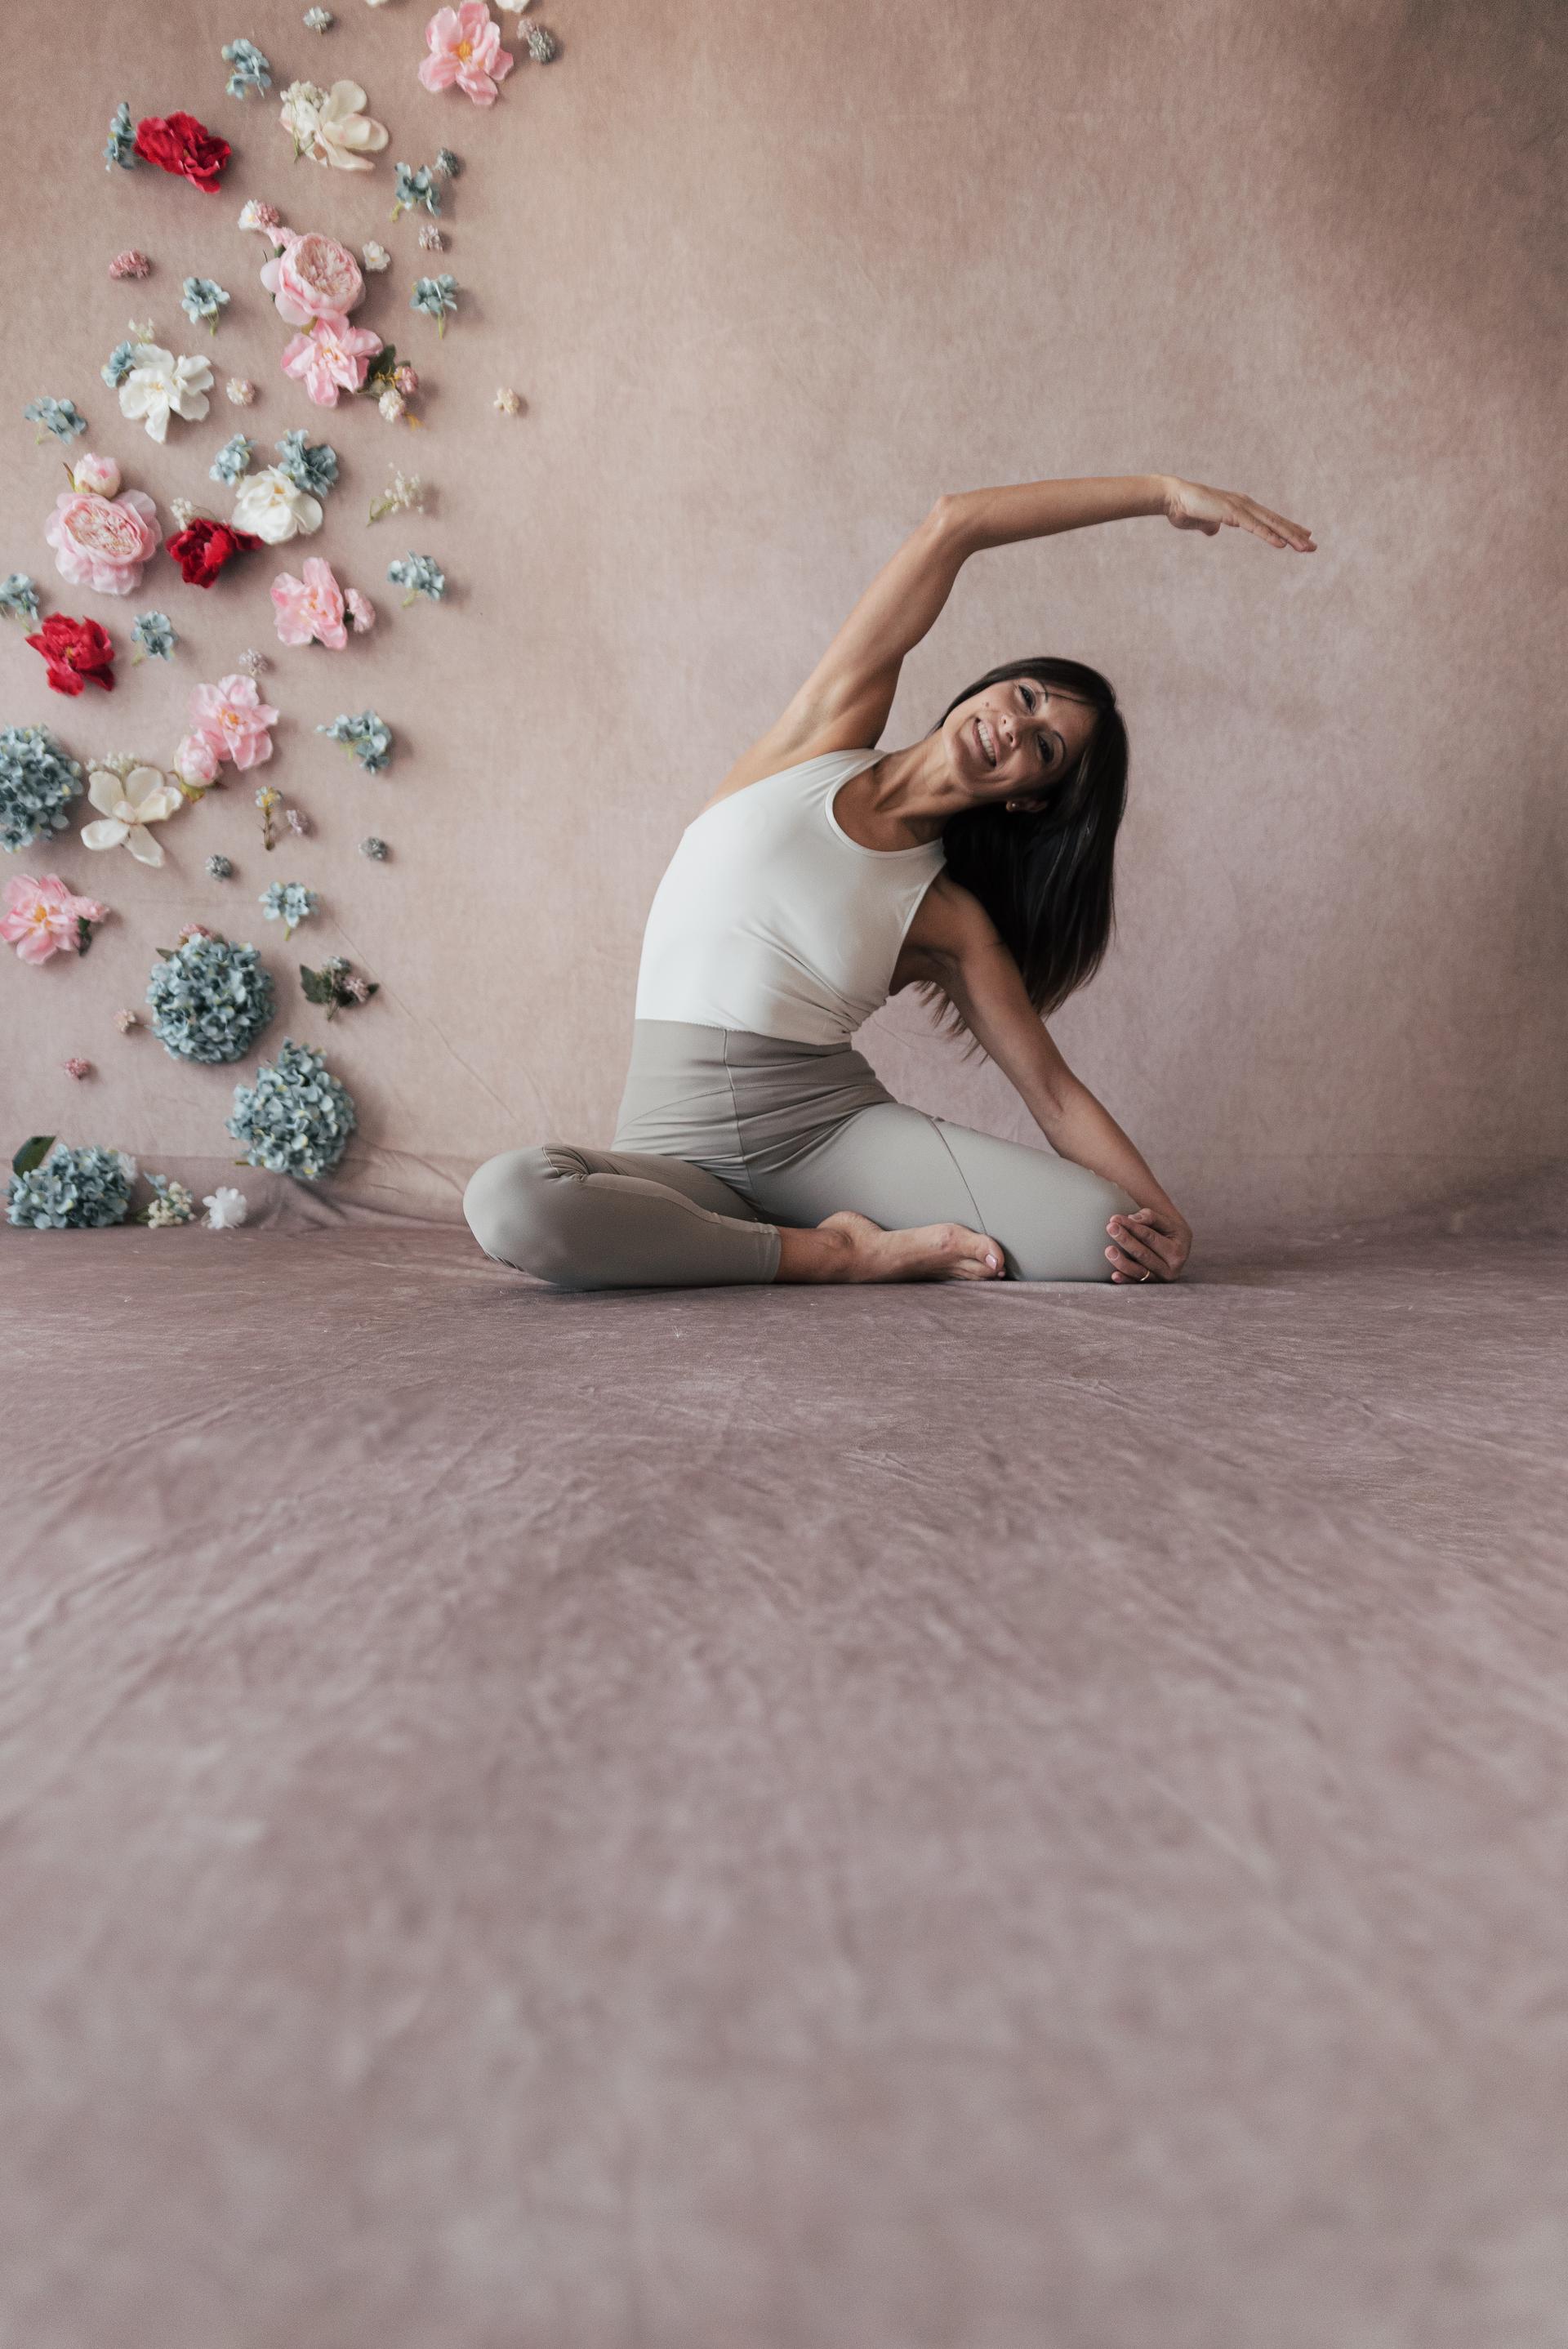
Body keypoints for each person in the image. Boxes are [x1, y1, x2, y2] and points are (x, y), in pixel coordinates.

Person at [464, 473, 1315, 1290]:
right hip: (671, 1151)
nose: (1012, 726)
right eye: (1023, 696)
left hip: (822, 1140)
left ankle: (784, 1247)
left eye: (1043, 746)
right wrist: (1162, 493)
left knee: (1108, 1233)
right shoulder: (819, 737)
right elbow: (955, 524)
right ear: (988, 684)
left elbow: (1052, 1094)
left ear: (1030, 799)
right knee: (511, 1200)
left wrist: (1163, 1214)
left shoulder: (950, 919)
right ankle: (838, 1255)